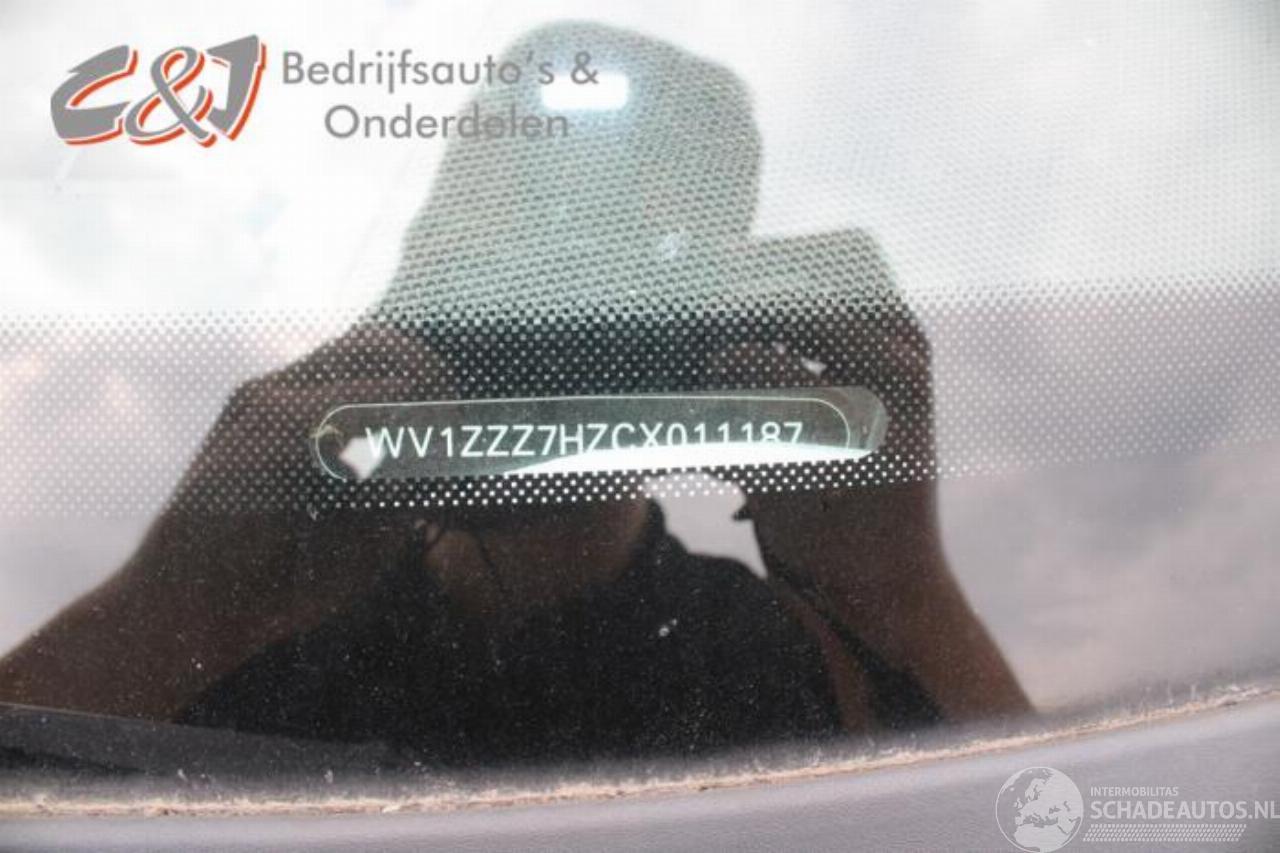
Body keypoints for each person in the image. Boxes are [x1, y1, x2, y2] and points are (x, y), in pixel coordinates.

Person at [0, 23, 1027, 768]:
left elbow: (1043, 818)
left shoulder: (785, 658)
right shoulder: (247, 618)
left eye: (617, 273)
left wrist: (897, 595)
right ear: (407, 277)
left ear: (722, 316)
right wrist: (173, 603)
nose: (548, 326)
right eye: (501, 263)